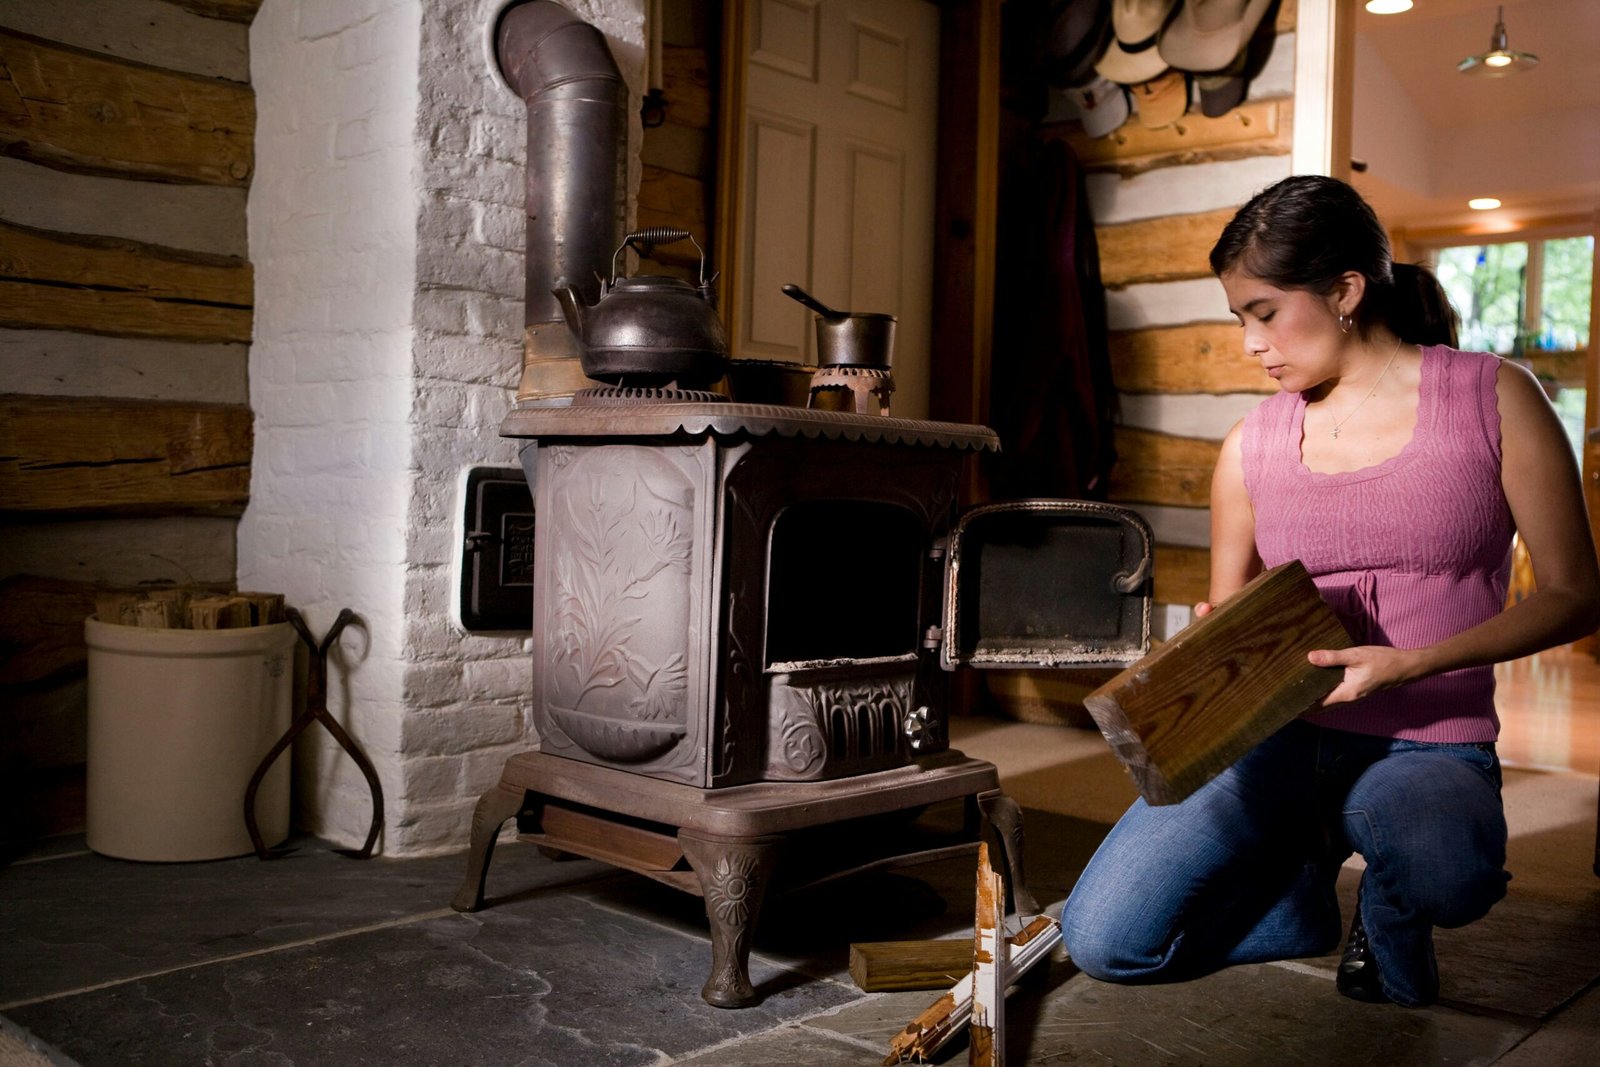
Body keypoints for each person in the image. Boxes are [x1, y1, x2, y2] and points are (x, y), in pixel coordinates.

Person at [1060, 175, 1600, 1007]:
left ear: (1346, 291)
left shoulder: (1495, 397)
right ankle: (1302, 899)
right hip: (1278, 738)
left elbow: (1575, 593)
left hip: (1426, 741)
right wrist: (1215, 638)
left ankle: (1390, 908)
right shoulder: (1249, 444)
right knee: (1107, 939)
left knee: (1449, 871)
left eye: (1265, 312)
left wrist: (1409, 662)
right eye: (1238, 319)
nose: (1250, 343)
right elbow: (1228, 614)